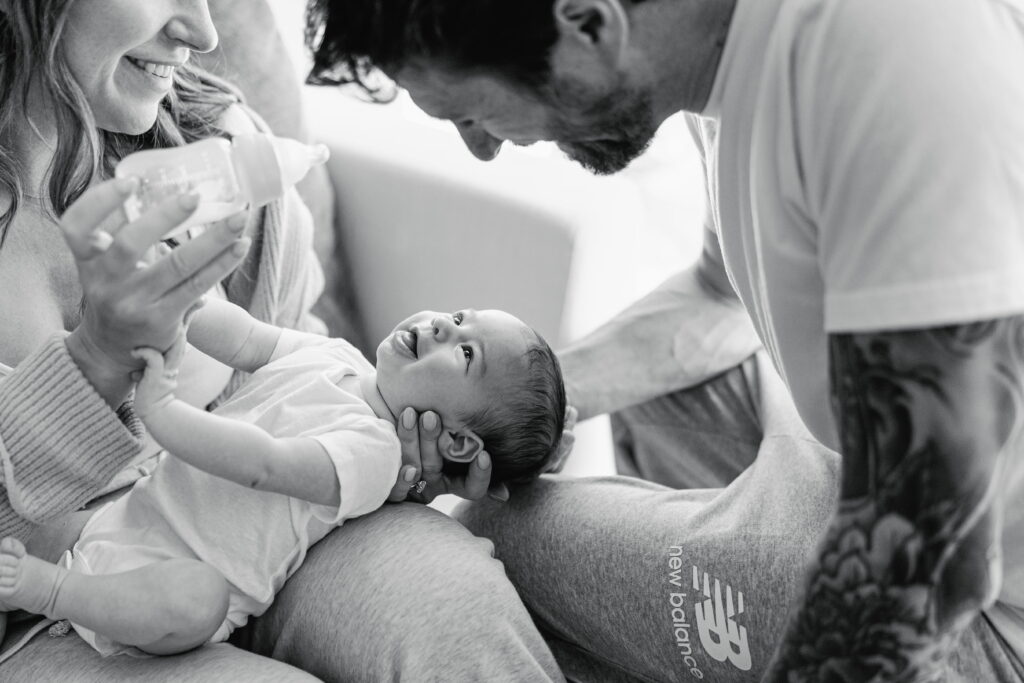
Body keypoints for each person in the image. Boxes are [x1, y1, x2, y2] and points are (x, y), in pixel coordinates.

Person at [306, 0, 1024, 680]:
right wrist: (518, 410)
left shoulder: (899, 71)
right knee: (658, 405)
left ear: (589, 25)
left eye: (473, 115)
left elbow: (934, 539)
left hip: (980, 594)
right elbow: (720, 300)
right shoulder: (724, 48)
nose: (487, 149)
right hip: (872, 462)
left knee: (499, 540)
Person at [0, 2, 566, 680]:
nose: (206, 34)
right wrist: (94, 362)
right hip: (43, 615)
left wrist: (374, 464)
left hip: (260, 550)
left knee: (452, 615)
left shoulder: (214, 141)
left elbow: (290, 368)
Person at [0, 296, 565, 657]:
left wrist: (163, 413)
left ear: (461, 443)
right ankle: (35, 593)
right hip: (122, 520)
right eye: (461, 316)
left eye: (466, 353)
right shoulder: (336, 355)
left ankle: (52, 591)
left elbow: (262, 464)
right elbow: (247, 339)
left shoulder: (374, 456)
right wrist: (183, 303)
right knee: (30, 528)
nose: (443, 324)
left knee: (201, 600)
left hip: (178, 580)